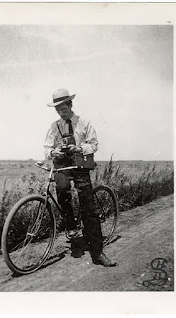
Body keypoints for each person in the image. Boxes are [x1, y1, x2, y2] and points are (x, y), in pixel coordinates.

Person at [44, 88, 117, 267]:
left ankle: (98, 253)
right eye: (58, 109)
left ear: (70, 104)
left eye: (64, 107)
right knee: (61, 188)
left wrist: (79, 149)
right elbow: (46, 148)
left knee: (88, 208)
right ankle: (71, 227)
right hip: (63, 165)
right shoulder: (54, 127)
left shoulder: (84, 123)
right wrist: (54, 152)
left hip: (80, 166)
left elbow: (94, 144)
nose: (61, 111)